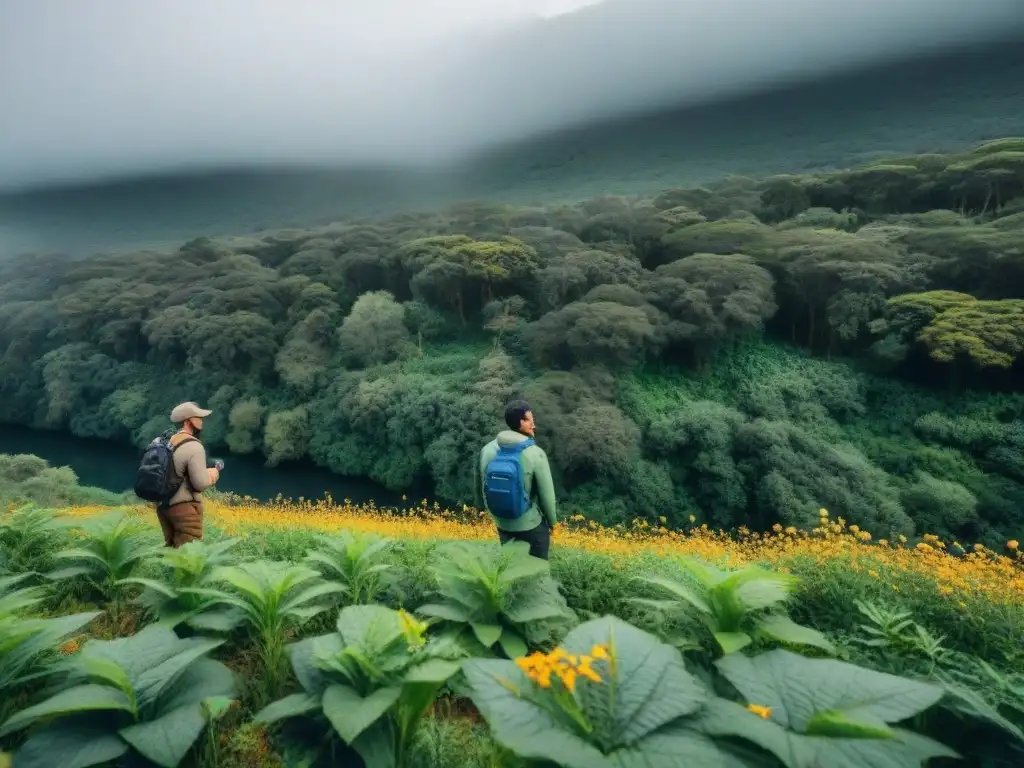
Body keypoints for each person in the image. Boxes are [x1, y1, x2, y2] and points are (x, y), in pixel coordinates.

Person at [478, 400, 558, 560]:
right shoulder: (535, 453)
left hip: (502, 524)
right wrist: (553, 523)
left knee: (512, 569)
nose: (533, 425)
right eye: (529, 420)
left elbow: (484, 488)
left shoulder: (487, 450)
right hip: (531, 525)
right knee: (538, 574)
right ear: (519, 422)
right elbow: (547, 497)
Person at [157, 401, 221, 548]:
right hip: (184, 509)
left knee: (172, 551)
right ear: (188, 421)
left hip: (163, 507)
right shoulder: (193, 445)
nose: (202, 421)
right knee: (188, 556)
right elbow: (200, 483)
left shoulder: (168, 442)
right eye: (198, 417)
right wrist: (213, 473)